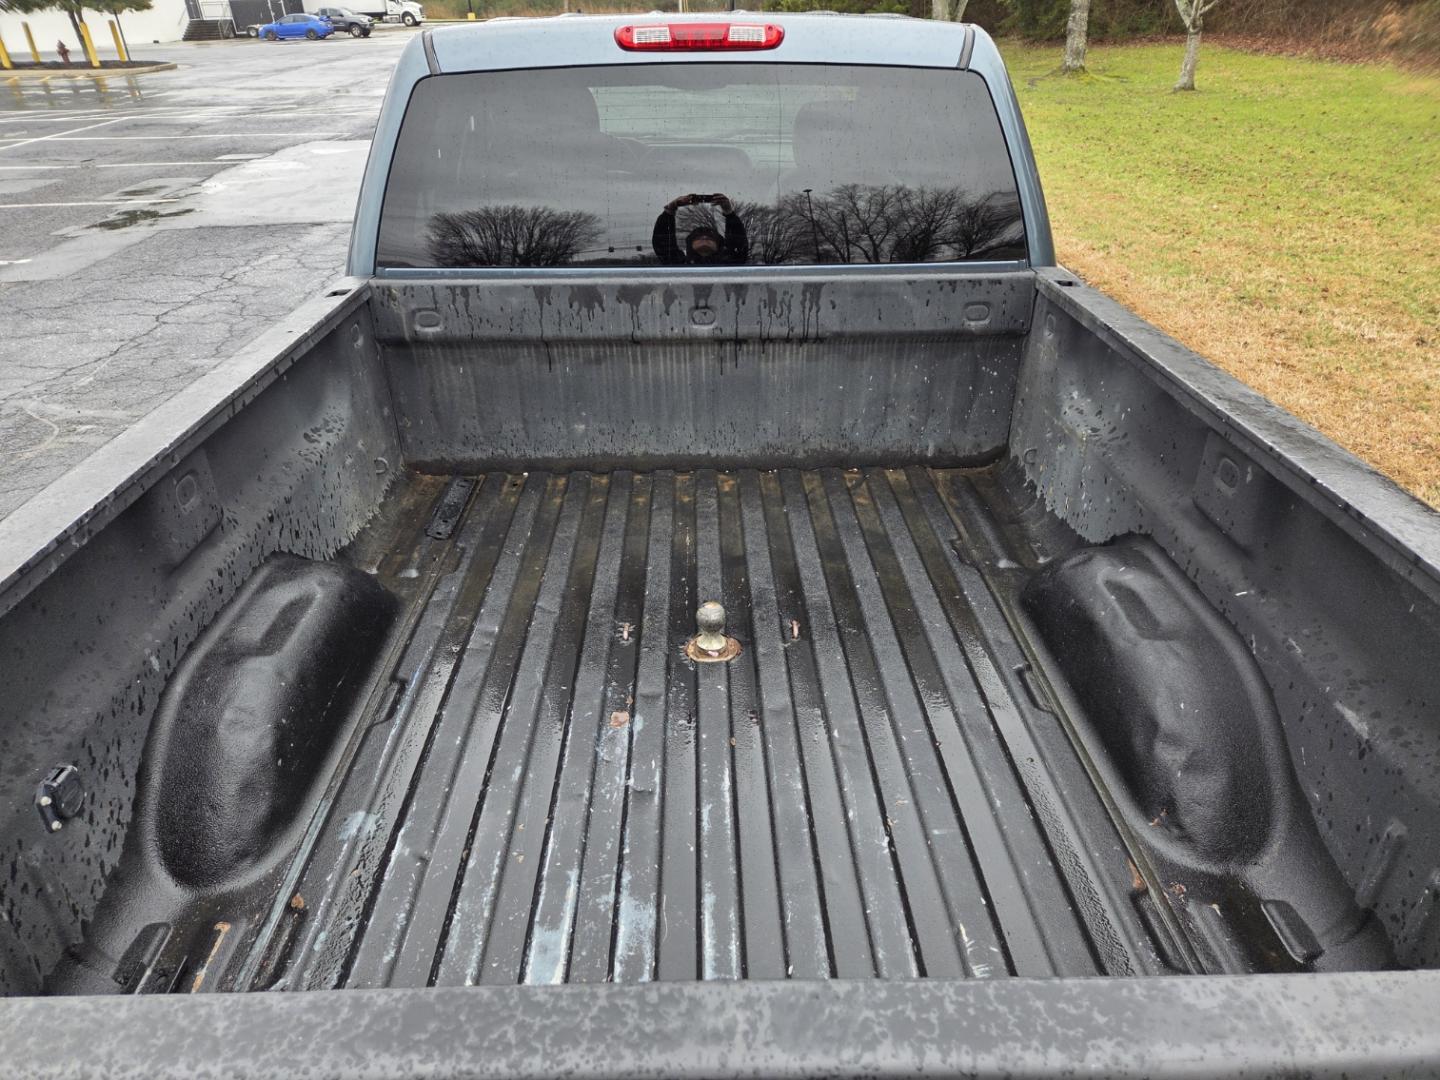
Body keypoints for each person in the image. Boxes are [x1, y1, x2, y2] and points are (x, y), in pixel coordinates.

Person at [652, 193, 748, 266]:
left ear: (719, 244)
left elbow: (738, 246)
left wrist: (729, 213)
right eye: (698, 236)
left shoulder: (730, 263)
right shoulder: (679, 264)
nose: (705, 237)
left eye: (710, 237)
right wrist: (670, 209)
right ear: (689, 243)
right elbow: (662, 244)